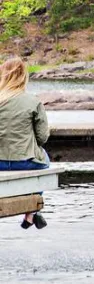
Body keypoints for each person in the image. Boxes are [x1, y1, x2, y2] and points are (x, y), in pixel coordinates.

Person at [0, 57, 50, 229]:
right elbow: (42, 138)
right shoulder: (33, 101)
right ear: (23, 77)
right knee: (45, 159)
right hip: (26, 162)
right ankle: (31, 212)